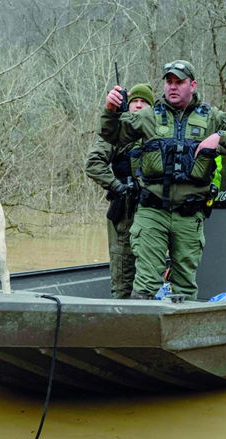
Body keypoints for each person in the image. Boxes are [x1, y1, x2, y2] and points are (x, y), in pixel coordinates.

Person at [100, 60, 226, 300]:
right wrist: (110, 110)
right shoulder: (148, 116)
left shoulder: (211, 117)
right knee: (145, 286)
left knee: (184, 285)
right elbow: (111, 134)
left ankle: (181, 335)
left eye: (179, 82)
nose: (172, 87)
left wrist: (220, 137)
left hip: (189, 215)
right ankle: (142, 335)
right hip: (152, 211)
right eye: (168, 81)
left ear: (192, 85)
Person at [86, 83, 154, 299]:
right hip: (124, 212)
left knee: (150, 274)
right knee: (123, 271)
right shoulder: (118, 131)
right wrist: (118, 187)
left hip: (152, 213)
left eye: (144, 102)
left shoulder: (157, 132)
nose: (139, 106)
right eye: (134, 101)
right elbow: (93, 163)